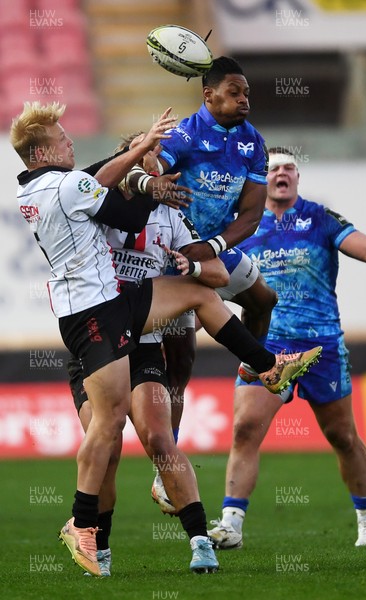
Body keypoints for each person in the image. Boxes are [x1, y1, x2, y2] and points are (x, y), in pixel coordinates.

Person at [11, 103, 322, 577]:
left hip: (126, 309)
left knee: (161, 424)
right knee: (109, 432)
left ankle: (268, 367)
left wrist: (192, 260)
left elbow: (210, 272)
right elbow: (113, 194)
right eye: (61, 138)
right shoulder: (79, 189)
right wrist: (142, 168)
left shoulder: (68, 190)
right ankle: (86, 525)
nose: (70, 142)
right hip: (93, 315)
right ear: (40, 152)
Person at [208, 147, 366, 550]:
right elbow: (216, 269)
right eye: (274, 168)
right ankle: (231, 525)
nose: (282, 174)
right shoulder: (243, 225)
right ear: (263, 178)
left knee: (343, 436)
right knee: (245, 429)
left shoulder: (321, 218)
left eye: (289, 168)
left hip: (322, 346)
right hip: (266, 345)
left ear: (297, 177)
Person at [67, 132, 229, 576]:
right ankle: (99, 546)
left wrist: (191, 265)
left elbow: (214, 272)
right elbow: (89, 181)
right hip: (95, 343)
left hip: (143, 344)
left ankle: (200, 541)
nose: (153, 163)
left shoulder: (172, 214)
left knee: (159, 438)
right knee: (109, 444)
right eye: (142, 155)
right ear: (127, 162)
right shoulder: (90, 206)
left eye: (156, 155)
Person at [127, 56, 280, 511]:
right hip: (173, 254)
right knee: (181, 359)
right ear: (208, 95)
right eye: (234, 92)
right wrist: (149, 173)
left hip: (212, 248)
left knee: (263, 300)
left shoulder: (254, 144)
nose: (244, 100)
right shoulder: (185, 136)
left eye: (246, 92)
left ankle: (252, 369)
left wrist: (213, 245)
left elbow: (251, 215)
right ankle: (164, 469)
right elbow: (152, 170)